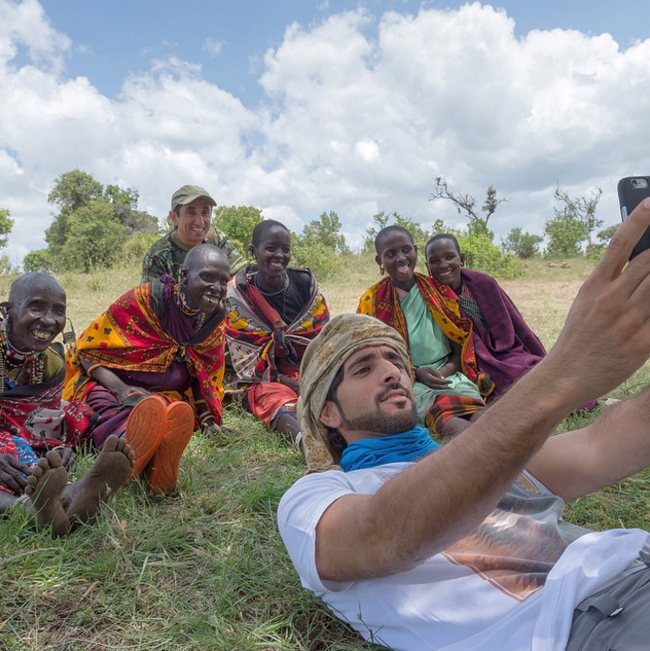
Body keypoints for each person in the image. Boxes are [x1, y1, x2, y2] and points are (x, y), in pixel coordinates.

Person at [278, 195, 650, 651]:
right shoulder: (318, 497)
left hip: (637, 565)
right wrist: (562, 371)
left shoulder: (495, 459)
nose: (393, 371)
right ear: (328, 412)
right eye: (363, 368)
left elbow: (602, 445)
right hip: (585, 625)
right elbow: (383, 536)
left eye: (395, 359)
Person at [64, 244, 229, 494]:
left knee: (165, 411)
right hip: (112, 384)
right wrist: (122, 390)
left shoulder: (214, 318)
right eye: (206, 277)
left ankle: (153, 457)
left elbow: (203, 370)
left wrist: (206, 418)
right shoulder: (146, 300)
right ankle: (134, 452)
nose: (216, 288)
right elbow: (87, 351)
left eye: (223, 281)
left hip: (162, 397)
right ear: (184, 276)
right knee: (101, 404)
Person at [357, 225, 492, 438]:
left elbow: (459, 344)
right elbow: (374, 354)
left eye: (406, 250)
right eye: (390, 254)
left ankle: (506, 445)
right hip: (405, 380)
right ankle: (481, 447)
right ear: (379, 262)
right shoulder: (372, 301)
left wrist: (444, 372)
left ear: (416, 251)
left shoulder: (438, 292)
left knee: (478, 411)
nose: (401, 258)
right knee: (444, 416)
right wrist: (416, 372)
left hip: (449, 375)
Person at [225, 220, 330, 443]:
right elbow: (248, 363)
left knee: (336, 390)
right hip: (266, 378)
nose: (279, 255)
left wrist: (310, 380)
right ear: (253, 252)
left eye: (285, 249)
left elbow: (323, 340)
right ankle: (306, 442)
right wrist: (291, 384)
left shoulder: (305, 285)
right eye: (271, 248)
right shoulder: (240, 294)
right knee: (276, 401)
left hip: (307, 369)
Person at [0, 273, 95, 503]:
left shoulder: (50, 362)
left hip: (14, 436)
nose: (49, 320)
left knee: (80, 415)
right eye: (36, 307)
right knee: (11, 446)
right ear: (7, 311)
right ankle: (38, 505)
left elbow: (43, 420)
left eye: (58, 311)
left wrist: (58, 448)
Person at [425, 233, 546, 398]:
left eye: (449, 257)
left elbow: (515, 322)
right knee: (508, 377)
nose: (443, 265)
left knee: (533, 367)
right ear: (427, 267)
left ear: (461, 259)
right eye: (435, 261)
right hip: (476, 359)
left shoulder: (484, 283)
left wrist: (534, 350)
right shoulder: (431, 298)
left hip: (507, 349)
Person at [141, 184, 247, 282]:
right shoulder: (159, 256)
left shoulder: (215, 237)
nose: (200, 222)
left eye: (205, 212)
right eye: (190, 213)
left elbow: (243, 275)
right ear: (174, 217)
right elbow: (152, 299)